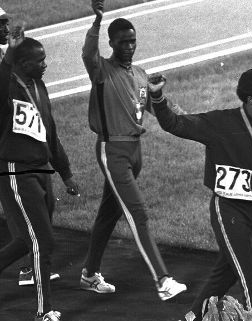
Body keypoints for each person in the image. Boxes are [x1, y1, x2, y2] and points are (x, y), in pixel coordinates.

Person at [148, 68, 252, 321]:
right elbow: (174, 123)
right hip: (227, 208)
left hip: (251, 210)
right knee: (247, 268)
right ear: (250, 99)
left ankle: (192, 316)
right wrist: (158, 98)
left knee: (226, 271)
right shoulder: (220, 123)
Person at [79, 0, 186, 301]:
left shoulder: (140, 74)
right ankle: (163, 280)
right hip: (112, 150)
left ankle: (89, 274)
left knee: (107, 215)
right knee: (137, 213)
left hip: (134, 152)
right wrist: (97, 22)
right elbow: (88, 53)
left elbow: (158, 107)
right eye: (123, 42)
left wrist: (189, 120)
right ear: (111, 43)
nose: (129, 46)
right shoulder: (102, 70)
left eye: (132, 41)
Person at [0, 28, 80, 321]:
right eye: (39, 61)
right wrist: (8, 52)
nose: (45, 64)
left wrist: (66, 174)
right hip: (16, 172)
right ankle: (44, 312)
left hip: (41, 171)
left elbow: (50, 133)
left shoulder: (39, 86)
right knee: (42, 242)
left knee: (25, 240)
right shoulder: (6, 88)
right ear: (21, 63)